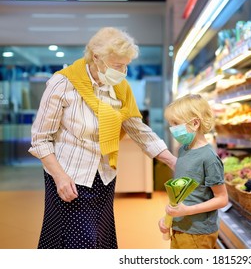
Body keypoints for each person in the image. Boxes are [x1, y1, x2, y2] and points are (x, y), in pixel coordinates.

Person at [29, 27, 176, 249]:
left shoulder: (119, 88)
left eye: (126, 65)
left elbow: (138, 129)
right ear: (96, 57)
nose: (123, 71)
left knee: (101, 240)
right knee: (78, 243)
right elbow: (40, 139)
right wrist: (59, 177)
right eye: (118, 65)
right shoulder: (63, 83)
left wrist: (173, 161)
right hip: (69, 176)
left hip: (104, 177)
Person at [158, 94, 228, 249]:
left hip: (198, 233)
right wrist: (168, 218)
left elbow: (222, 198)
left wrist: (187, 210)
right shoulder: (183, 150)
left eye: (176, 123)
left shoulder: (209, 158)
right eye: (171, 124)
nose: (172, 129)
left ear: (195, 123)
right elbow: (182, 192)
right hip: (180, 226)